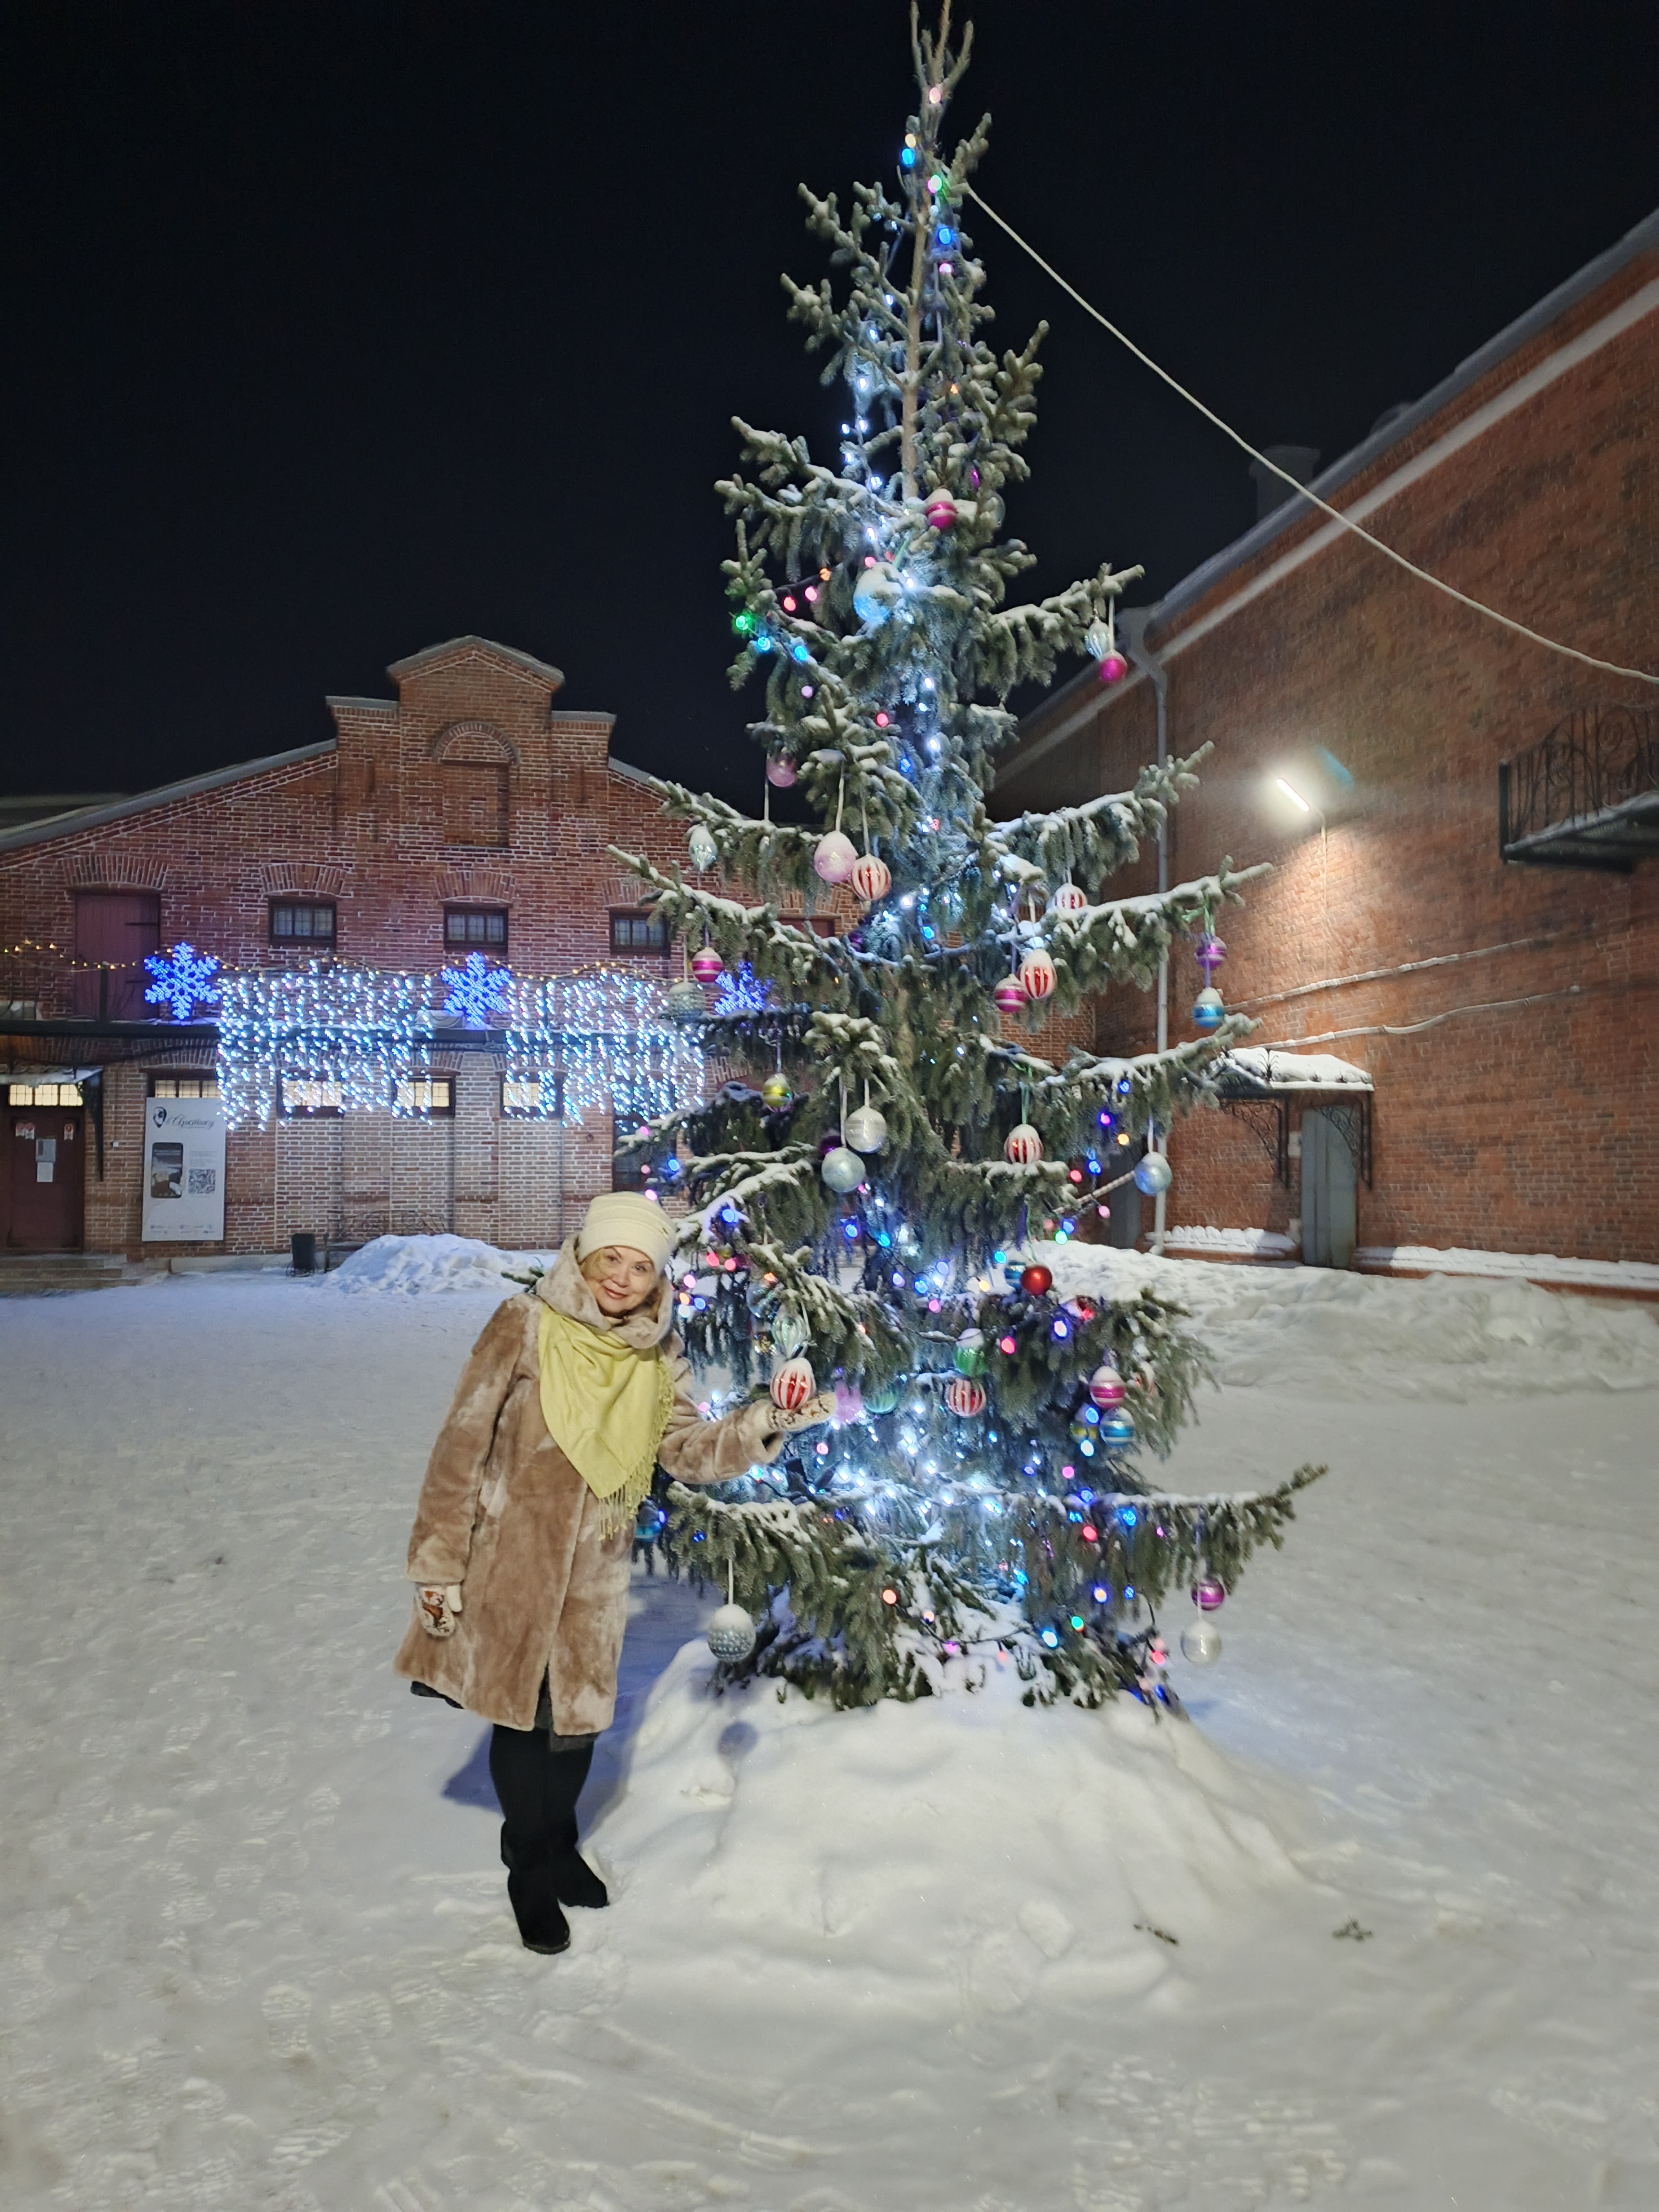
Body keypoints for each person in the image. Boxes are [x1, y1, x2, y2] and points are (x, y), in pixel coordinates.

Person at [394, 1191, 831, 1956]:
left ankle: (557, 1841)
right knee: (523, 1719)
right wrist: (440, 1563)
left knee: (576, 1726)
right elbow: (459, 1448)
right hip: (511, 1561)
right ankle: (529, 1864)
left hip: (595, 1573)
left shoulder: (658, 1357)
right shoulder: (523, 1327)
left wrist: (764, 1423)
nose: (623, 1278)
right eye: (611, 1260)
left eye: (640, 1267)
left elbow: (686, 1453)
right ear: (586, 1257)